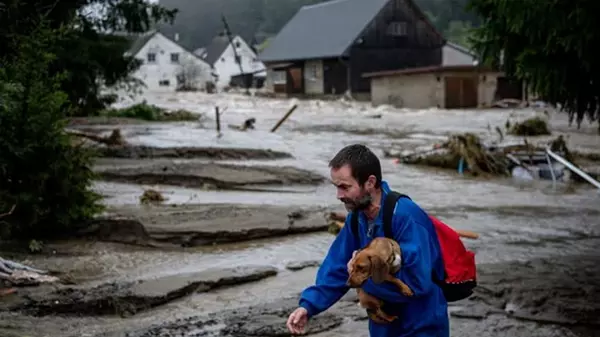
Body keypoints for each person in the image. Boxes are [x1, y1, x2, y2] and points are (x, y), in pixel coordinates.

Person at [286, 144, 449, 337]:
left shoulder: (406, 217)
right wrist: (308, 307)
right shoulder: (357, 218)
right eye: (337, 187)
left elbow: (417, 285)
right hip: (383, 329)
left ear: (370, 182)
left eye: (345, 187)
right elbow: (337, 267)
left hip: (421, 327)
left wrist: (363, 281)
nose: (339, 195)